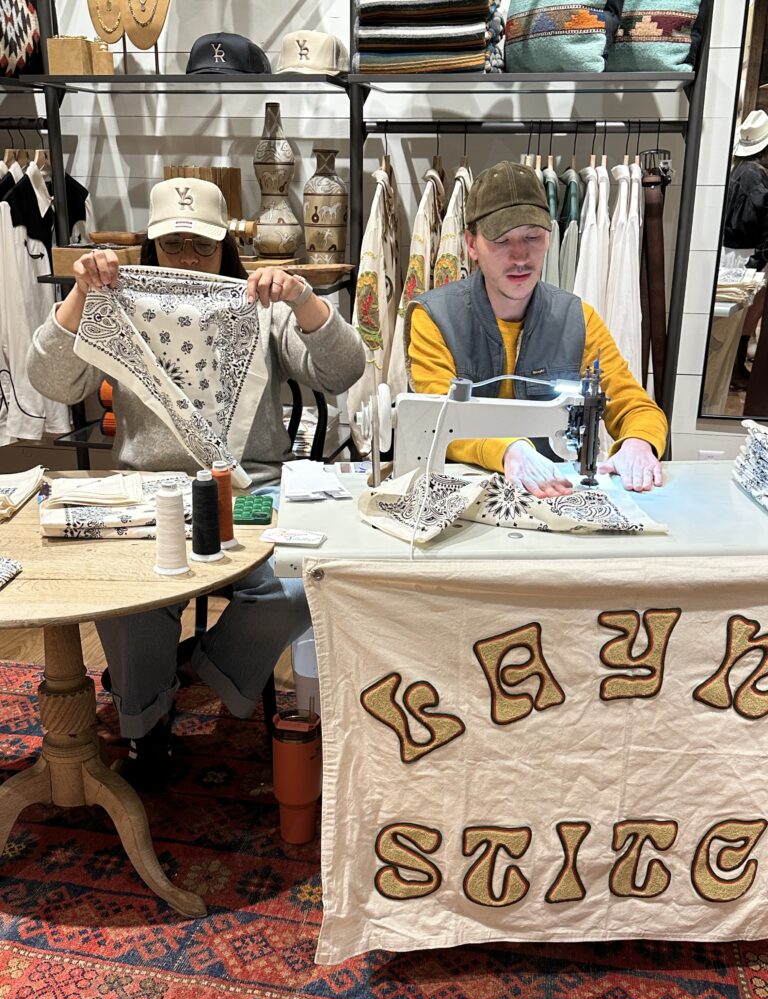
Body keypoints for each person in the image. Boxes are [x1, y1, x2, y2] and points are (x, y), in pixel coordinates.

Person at [27, 177, 366, 789]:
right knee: (131, 609)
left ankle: (213, 673)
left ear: (224, 249)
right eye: (173, 245)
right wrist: (81, 293)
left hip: (250, 491)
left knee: (304, 584)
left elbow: (343, 368)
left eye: (201, 248)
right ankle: (146, 724)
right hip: (146, 494)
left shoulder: (257, 307)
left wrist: (303, 299)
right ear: (150, 246)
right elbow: (53, 381)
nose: (186, 260)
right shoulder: (115, 304)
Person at [405, 160, 668, 497]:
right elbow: (440, 417)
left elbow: (635, 407)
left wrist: (638, 442)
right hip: (462, 501)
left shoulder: (578, 319)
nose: (520, 257)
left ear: (549, 238)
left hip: (551, 495)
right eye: (501, 241)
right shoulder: (434, 319)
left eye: (533, 237)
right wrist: (509, 451)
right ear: (472, 244)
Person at [722, 108, 768, 390]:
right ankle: (735, 368)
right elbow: (754, 217)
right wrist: (760, 257)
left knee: (743, 313)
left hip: (738, 252)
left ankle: (734, 366)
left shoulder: (741, 169)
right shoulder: (754, 174)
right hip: (745, 253)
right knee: (745, 313)